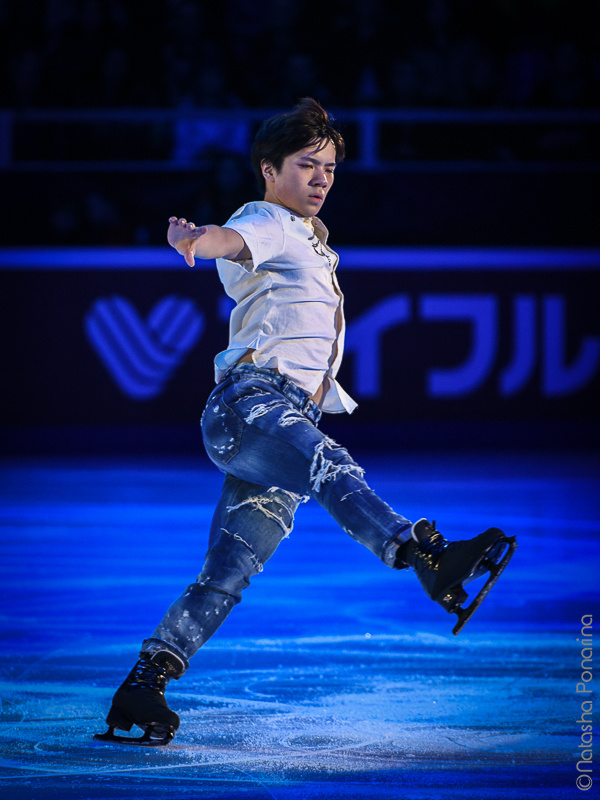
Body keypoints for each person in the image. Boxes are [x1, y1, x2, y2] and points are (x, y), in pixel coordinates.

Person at [94, 98, 516, 747]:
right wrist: (193, 240)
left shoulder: (313, 245)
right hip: (251, 404)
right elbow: (228, 238)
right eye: (306, 164)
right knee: (330, 464)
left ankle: (142, 686)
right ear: (269, 169)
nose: (321, 177)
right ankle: (422, 553)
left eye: (330, 167)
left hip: (274, 424)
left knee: (230, 570)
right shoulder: (270, 219)